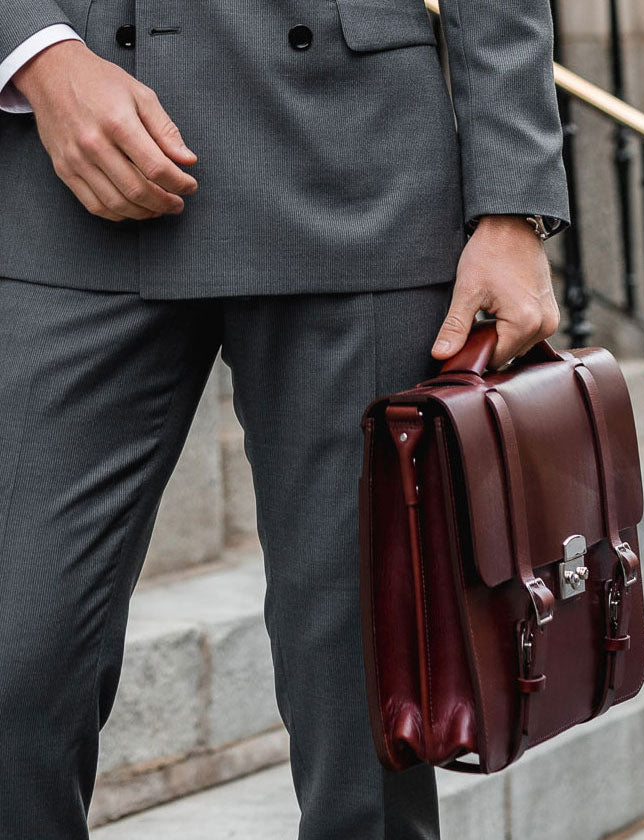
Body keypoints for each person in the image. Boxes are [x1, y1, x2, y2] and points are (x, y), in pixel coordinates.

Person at [0, 0, 569, 837]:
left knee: (362, 704)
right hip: (71, 176)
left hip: (356, 179)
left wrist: (513, 203)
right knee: (17, 663)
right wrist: (37, 56)